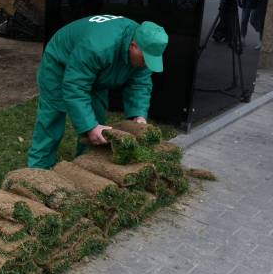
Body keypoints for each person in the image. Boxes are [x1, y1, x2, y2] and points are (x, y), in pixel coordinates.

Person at [27, 15, 169, 169]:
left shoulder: (145, 46)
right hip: (60, 61)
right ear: (133, 45)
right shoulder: (98, 47)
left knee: (96, 119)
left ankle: (85, 164)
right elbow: (75, 87)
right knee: (52, 116)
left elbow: (140, 84)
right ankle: (38, 168)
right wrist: (89, 126)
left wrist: (138, 114)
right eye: (145, 58)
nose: (146, 63)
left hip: (96, 67)